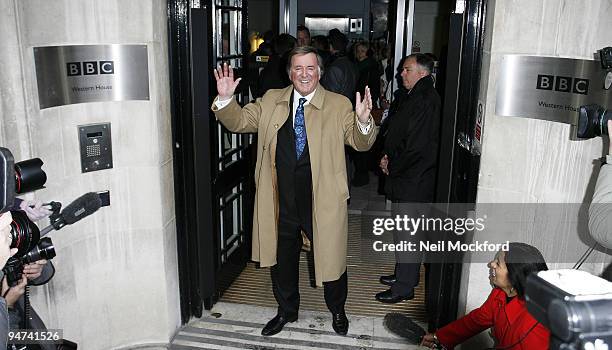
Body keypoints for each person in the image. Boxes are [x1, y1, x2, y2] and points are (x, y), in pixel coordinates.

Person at [212, 46, 378, 336]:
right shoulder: (272, 100)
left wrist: (364, 121)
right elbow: (239, 122)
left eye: (310, 68)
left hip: (322, 200)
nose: (304, 74)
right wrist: (226, 99)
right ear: (290, 73)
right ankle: (287, 311)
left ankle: (337, 309)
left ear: (320, 72)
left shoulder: (338, 105)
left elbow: (359, 141)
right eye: (298, 68)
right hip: (280, 200)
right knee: (282, 261)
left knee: (332, 257)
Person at [376, 53, 441, 303]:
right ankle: (404, 275)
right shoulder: (414, 95)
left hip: (415, 179)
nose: (401, 74)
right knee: (404, 233)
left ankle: (404, 287)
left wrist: (391, 163)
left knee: (409, 236)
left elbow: (417, 146)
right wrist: (386, 155)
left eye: (406, 70)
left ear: (422, 73)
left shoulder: (425, 99)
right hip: (408, 177)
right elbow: (399, 133)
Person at [420, 243, 550, 349]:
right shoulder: (499, 294)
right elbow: (476, 320)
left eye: (498, 263)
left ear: (515, 275)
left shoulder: (535, 320)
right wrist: (439, 337)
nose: (491, 264)